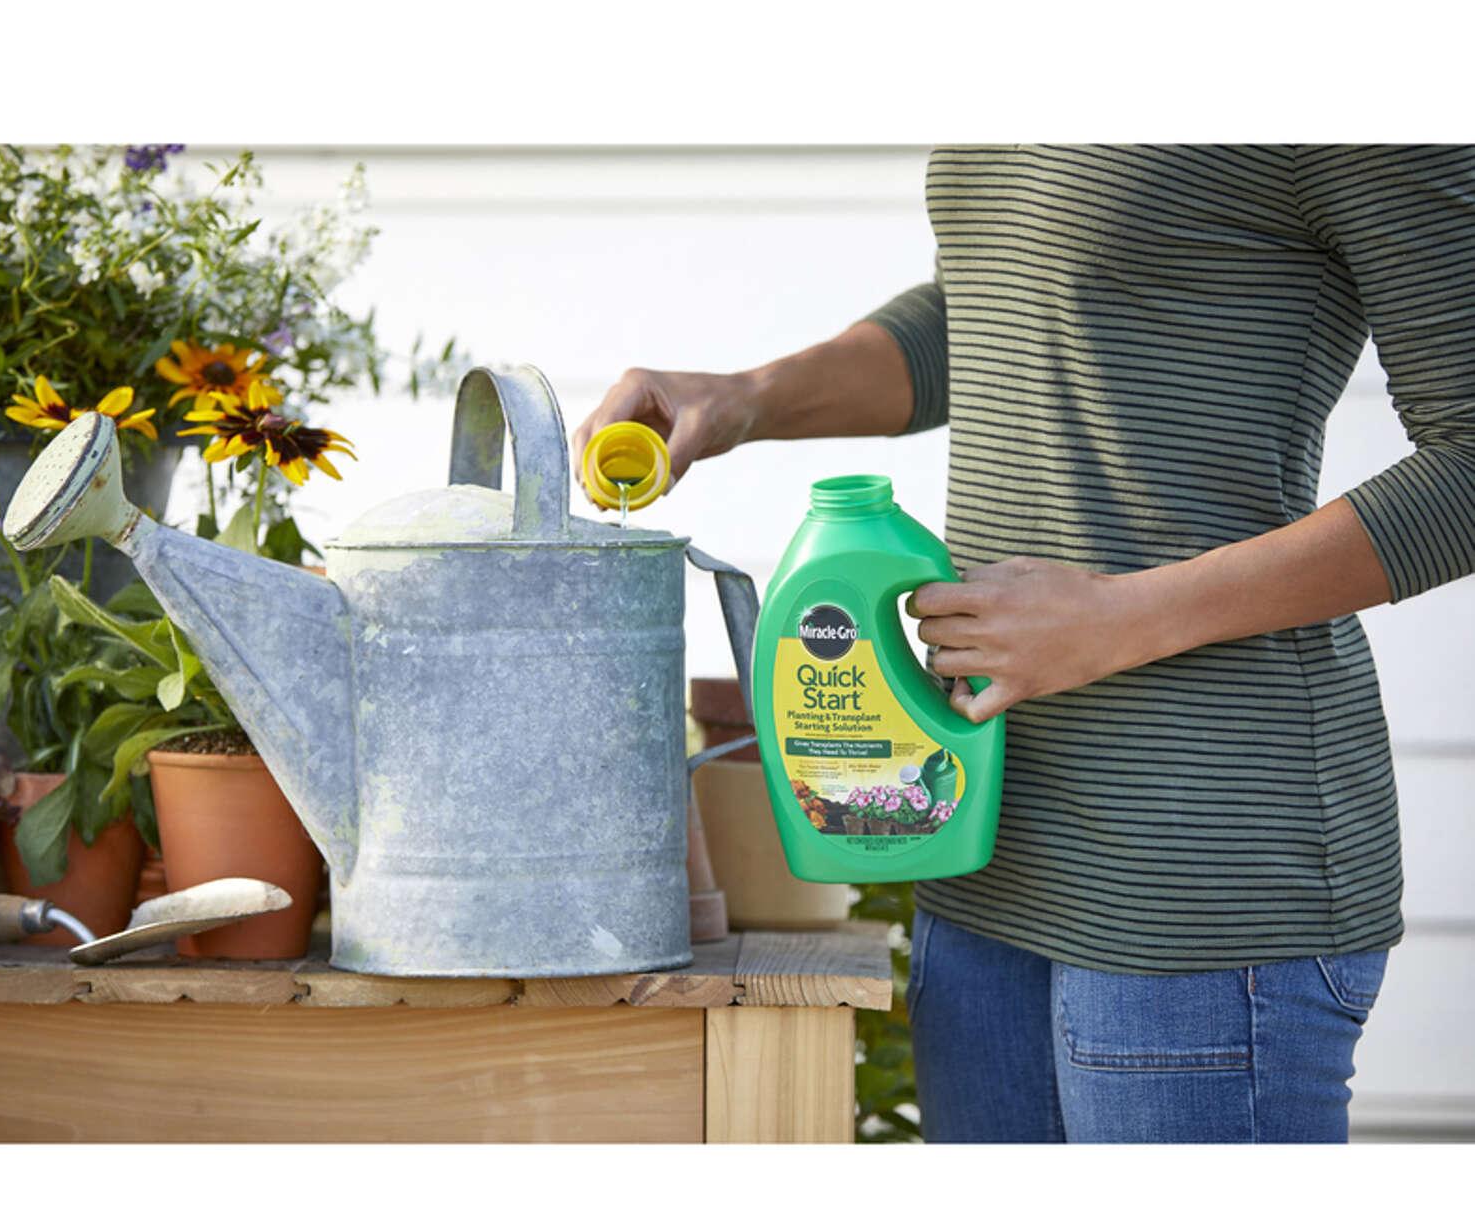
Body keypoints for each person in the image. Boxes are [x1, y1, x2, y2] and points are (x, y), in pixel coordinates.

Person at [573, 145, 1475, 1144]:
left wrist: (1120, 616)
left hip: (1194, 875)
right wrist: (748, 397)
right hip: (983, 844)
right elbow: (996, 303)